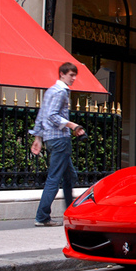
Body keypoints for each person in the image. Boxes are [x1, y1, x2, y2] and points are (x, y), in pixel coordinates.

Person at [30, 62, 86, 227]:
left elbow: (42, 114)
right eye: (71, 75)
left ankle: (71, 213)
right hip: (60, 139)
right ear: (62, 74)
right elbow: (52, 116)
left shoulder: (50, 91)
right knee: (54, 178)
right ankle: (42, 217)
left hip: (50, 139)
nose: (74, 78)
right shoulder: (61, 92)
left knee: (69, 176)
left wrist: (38, 138)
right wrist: (73, 125)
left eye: (75, 75)